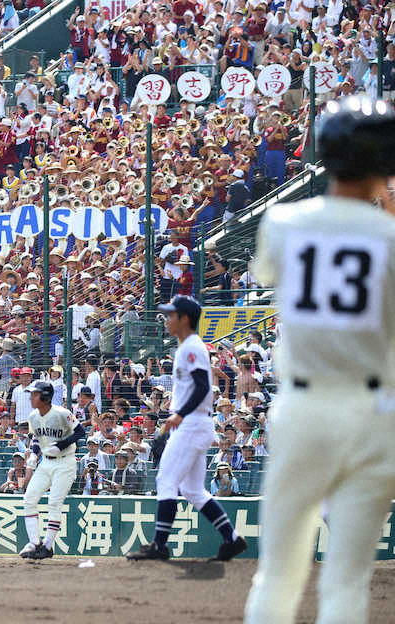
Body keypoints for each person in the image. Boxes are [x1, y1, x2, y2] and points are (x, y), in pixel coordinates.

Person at [245, 96, 395, 624]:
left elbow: (271, 276)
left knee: (279, 573)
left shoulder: (283, 221)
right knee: (347, 582)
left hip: (304, 409)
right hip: (377, 414)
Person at [128, 295, 247, 561]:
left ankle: (159, 545)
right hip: (196, 422)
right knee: (193, 491)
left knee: (165, 481)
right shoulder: (188, 347)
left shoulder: (191, 347)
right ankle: (232, 538)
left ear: (184, 319)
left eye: (171, 315)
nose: (167, 320)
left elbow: (203, 387)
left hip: (191, 423)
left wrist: (179, 415)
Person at [18, 380, 83, 560]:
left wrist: (62, 445)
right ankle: (34, 543)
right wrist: (33, 456)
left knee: (54, 502)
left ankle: (47, 545)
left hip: (65, 462)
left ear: (45, 397)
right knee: (29, 498)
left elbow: (80, 432)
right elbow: (38, 439)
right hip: (46, 462)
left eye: (35, 394)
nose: (31, 397)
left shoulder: (62, 413)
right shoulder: (33, 416)